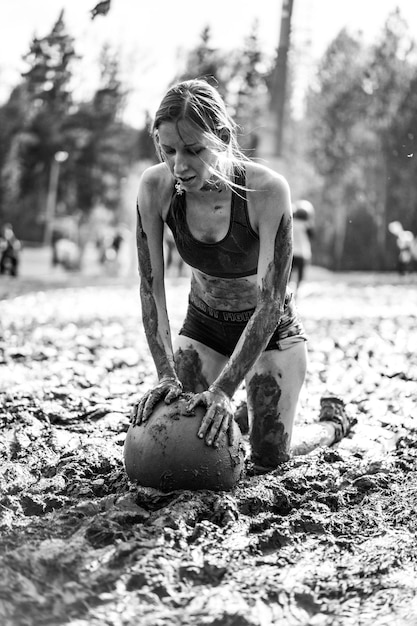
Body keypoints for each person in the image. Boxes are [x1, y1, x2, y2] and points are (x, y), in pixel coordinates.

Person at [130, 79, 351, 474]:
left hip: (272, 334)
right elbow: (152, 289)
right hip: (204, 329)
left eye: (195, 150)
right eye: (169, 150)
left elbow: (270, 304)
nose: (180, 165)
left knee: (269, 460)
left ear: (223, 138)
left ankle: (333, 425)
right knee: (184, 427)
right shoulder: (154, 187)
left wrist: (224, 390)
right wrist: (165, 373)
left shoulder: (268, 191)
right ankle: (242, 413)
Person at [290, 200, 315, 293]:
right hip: (303, 254)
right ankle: (297, 293)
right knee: (300, 278)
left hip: (292, 253)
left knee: (289, 276)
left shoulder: (292, 223)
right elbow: (312, 236)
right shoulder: (307, 225)